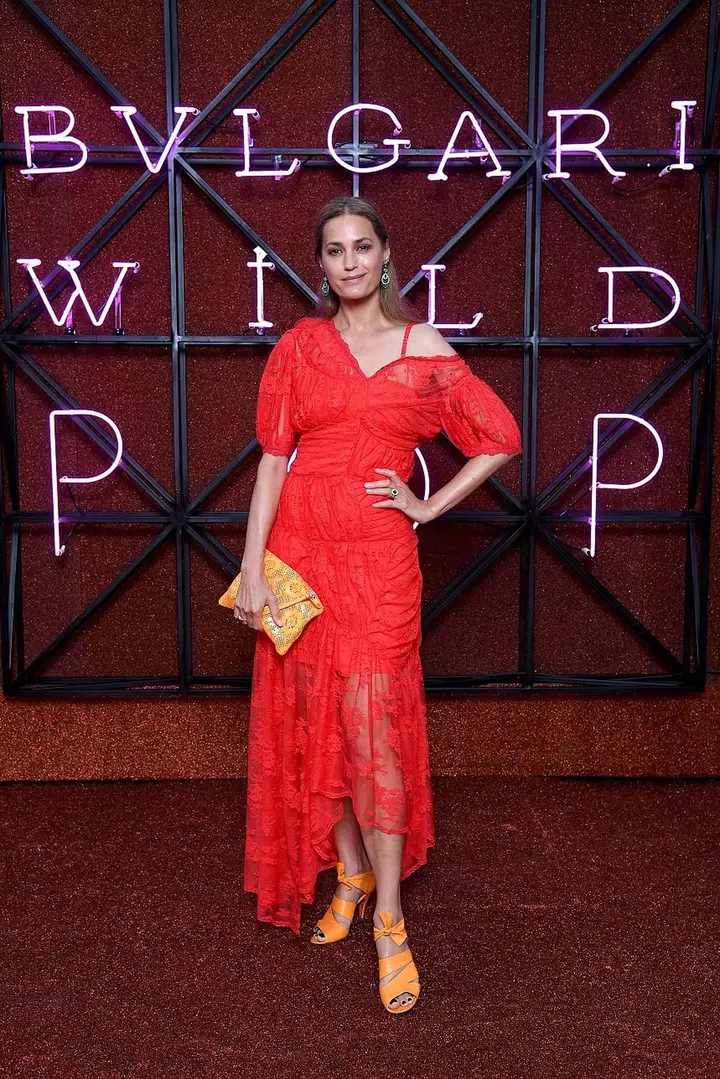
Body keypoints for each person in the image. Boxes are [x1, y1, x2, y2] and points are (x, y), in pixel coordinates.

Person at [235, 195, 522, 1014]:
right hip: (301, 558)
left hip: (381, 566)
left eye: (362, 246)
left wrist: (428, 506)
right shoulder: (299, 346)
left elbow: (500, 436)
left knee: (373, 728)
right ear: (321, 265)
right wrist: (252, 567)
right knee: (319, 720)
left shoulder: (423, 348)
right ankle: (353, 873)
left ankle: (389, 919)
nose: (350, 261)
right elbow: (273, 461)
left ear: (387, 254)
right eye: (335, 250)